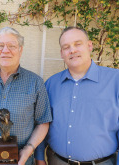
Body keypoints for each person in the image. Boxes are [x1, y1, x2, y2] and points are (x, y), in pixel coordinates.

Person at [0, 27, 52, 165]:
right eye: (0, 46)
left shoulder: (35, 82)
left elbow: (43, 122)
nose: (5, 50)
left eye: (11, 46)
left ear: (21, 50)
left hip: (22, 159)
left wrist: (29, 149)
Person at [35, 26, 119, 165]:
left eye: (77, 44)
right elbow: (42, 122)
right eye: (66, 47)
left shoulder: (115, 80)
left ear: (89, 45)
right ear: (62, 53)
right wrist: (39, 157)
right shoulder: (51, 84)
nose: (72, 50)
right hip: (57, 161)